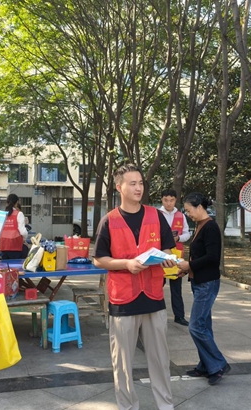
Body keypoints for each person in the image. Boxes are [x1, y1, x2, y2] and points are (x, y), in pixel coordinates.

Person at [93, 164, 177, 410]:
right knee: (122, 364)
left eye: (140, 183)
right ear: (119, 187)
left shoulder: (155, 215)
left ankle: (166, 405)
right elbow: (99, 258)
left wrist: (167, 257)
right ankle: (128, 407)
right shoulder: (109, 221)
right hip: (123, 300)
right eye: (133, 183)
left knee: (161, 359)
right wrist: (126, 264)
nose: (139, 187)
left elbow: (168, 248)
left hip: (153, 296)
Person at [176, 192, 230, 386]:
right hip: (199, 281)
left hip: (207, 283)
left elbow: (213, 257)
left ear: (199, 207)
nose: (188, 215)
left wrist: (189, 266)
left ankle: (219, 363)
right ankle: (206, 365)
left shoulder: (211, 227)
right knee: (204, 326)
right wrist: (187, 270)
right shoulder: (200, 226)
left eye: (189, 211)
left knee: (196, 326)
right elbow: (200, 256)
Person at [159, 189, 191, 326]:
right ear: (162, 200)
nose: (169, 203)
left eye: (171, 200)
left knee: (176, 288)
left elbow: (187, 234)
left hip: (177, 256)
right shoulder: (156, 214)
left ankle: (179, 316)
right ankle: (156, 315)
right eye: (166, 200)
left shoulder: (181, 216)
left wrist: (178, 238)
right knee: (157, 286)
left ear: (176, 200)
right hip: (160, 256)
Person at [0, 193, 29, 259]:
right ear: (17, 202)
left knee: (5, 267)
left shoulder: (2, 214)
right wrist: (24, 239)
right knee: (15, 267)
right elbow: (23, 232)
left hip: (3, 246)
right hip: (15, 246)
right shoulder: (19, 214)